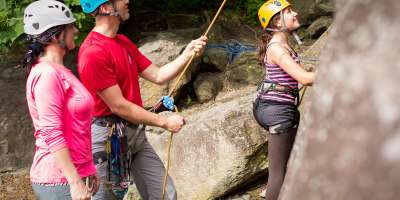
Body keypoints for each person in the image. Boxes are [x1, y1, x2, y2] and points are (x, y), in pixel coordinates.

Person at [77, 0, 207, 199]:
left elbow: (158, 75)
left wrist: (186, 54)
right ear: (105, 7)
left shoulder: (122, 42)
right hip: (107, 139)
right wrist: (164, 121)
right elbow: (118, 105)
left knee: (164, 194)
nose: (127, 1)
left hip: (134, 134)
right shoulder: (93, 53)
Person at [22, 0, 100, 200]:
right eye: (70, 26)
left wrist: (88, 169)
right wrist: (75, 182)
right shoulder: (47, 74)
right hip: (59, 181)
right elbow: (52, 132)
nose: (75, 29)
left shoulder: (61, 71)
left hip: (72, 176)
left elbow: (76, 128)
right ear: (55, 35)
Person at [253, 0, 316, 200]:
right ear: (277, 23)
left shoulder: (281, 45)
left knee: (291, 162)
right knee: (278, 172)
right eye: (288, 12)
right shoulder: (277, 48)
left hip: (276, 106)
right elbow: (305, 79)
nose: (295, 13)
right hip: (277, 110)